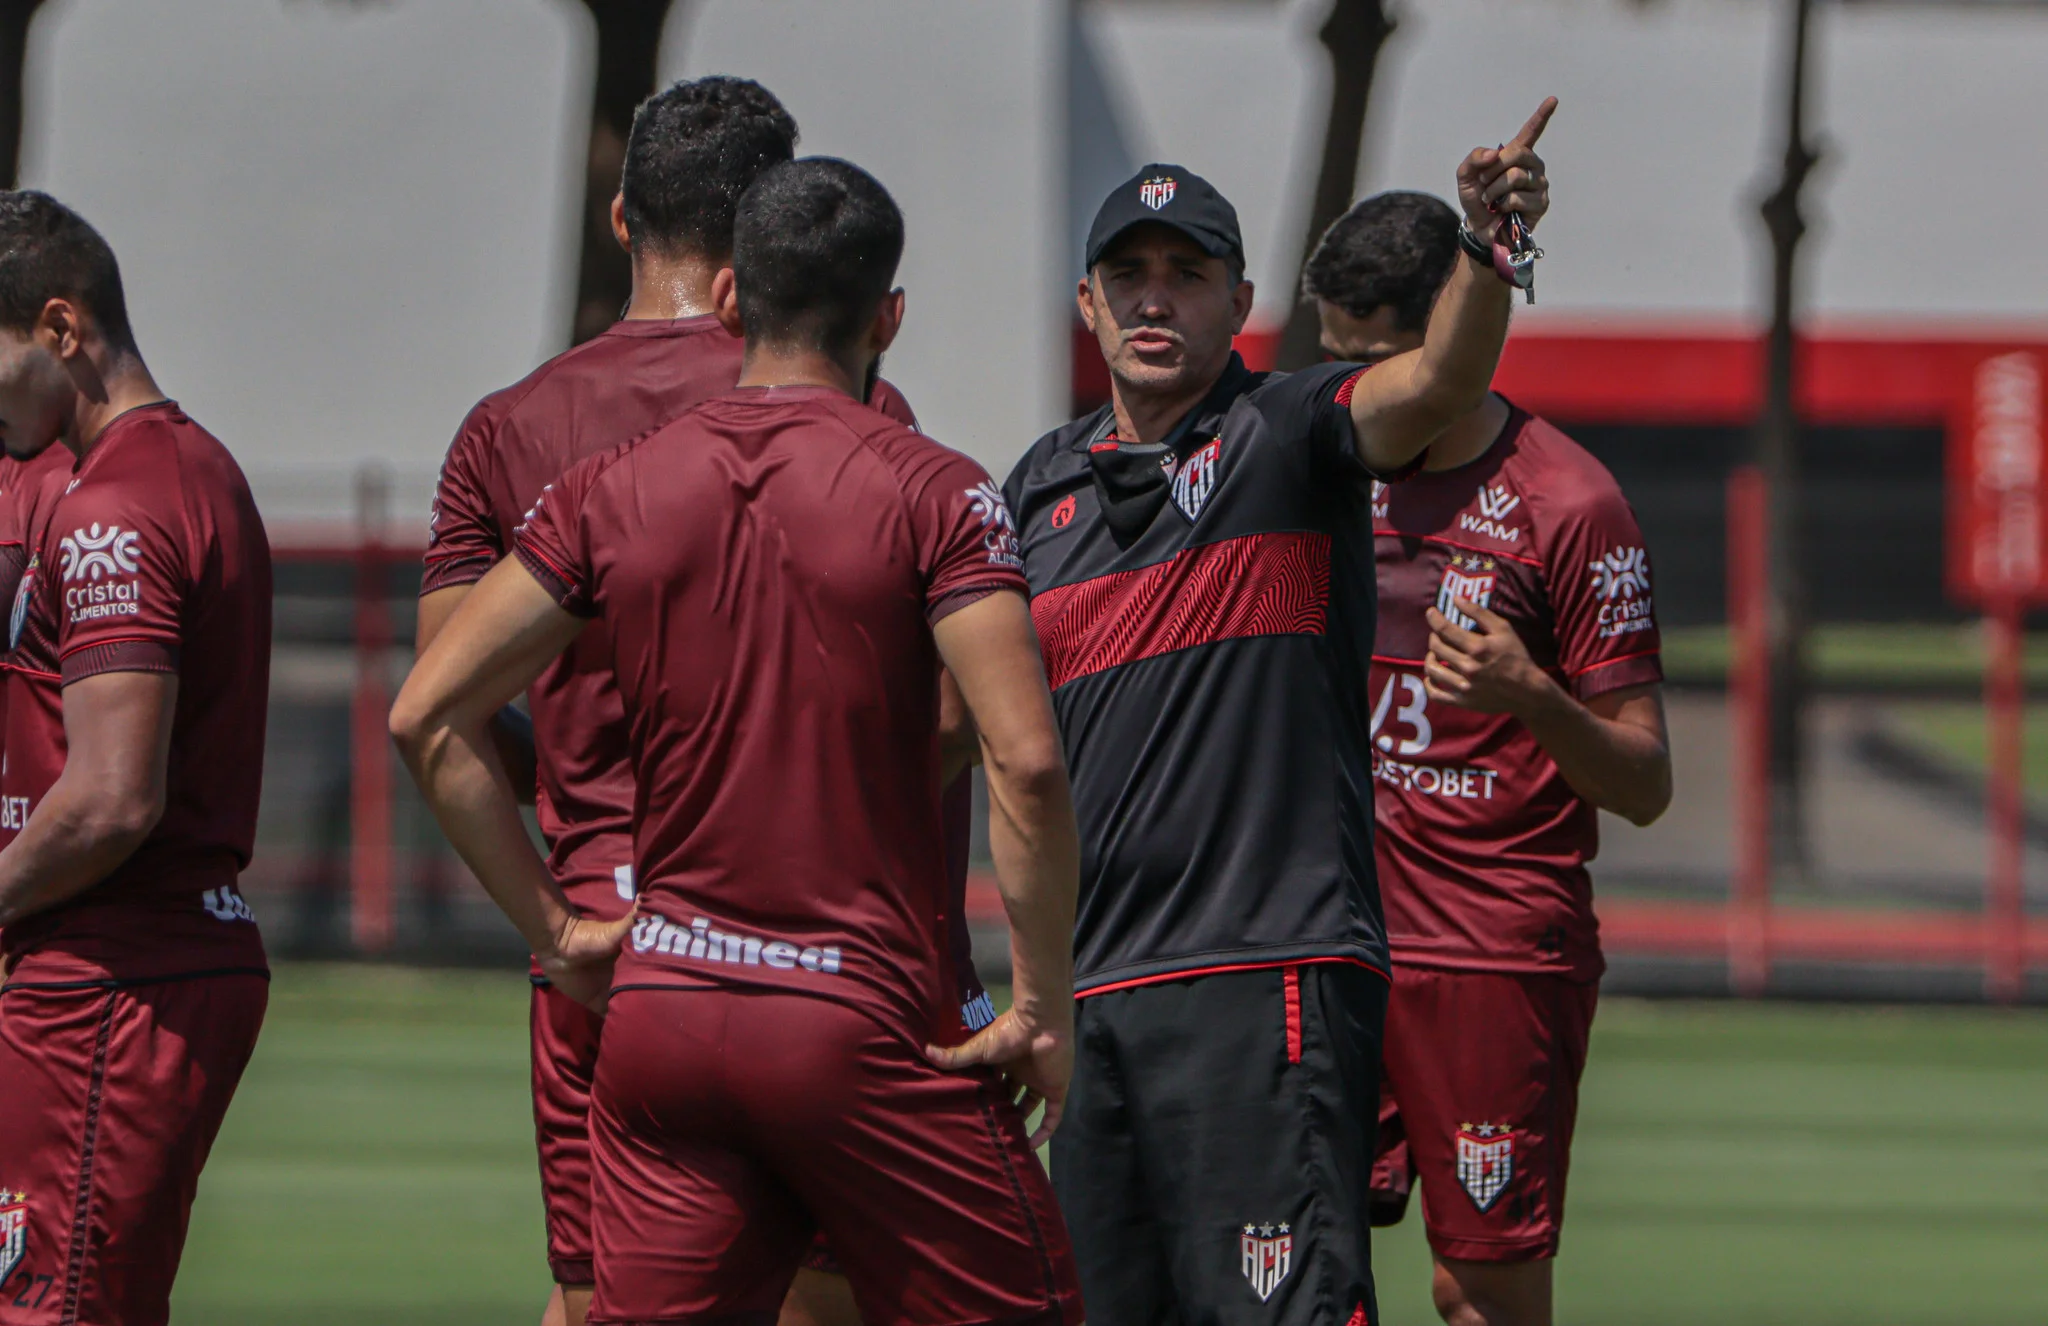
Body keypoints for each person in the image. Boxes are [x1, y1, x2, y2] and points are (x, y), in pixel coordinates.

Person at [392, 156, 1084, 1326]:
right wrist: (1039, 1005)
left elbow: (425, 713)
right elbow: (1019, 757)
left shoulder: (606, 488)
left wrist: (558, 932)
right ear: (889, 319)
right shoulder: (935, 488)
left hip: (664, 1018)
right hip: (856, 1012)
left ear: (728, 301)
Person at [998, 101, 1556, 1325]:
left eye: (1185, 276)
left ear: (1237, 298)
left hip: (1270, 974)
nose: (1154, 301)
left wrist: (1485, 247)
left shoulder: (1288, 432)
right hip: (1090, 996)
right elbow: (970, 731)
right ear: (1085, 304)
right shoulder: (1033, 487)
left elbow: (1444, 376)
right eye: (1126, 277)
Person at [1301, 191, 1670, 1326]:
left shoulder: (1568, 503)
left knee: (1479, 1294)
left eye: (1376, 362)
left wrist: (1530, 697)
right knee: (1284, 1270)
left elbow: (1643, 784)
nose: (1351, 393)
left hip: (1489, 952)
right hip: (1317, 937)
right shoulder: (1312, 471)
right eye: (1333, 362)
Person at [0, 191, 273, 1326]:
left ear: (62, 330)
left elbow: (112, 798)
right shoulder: (173, 469)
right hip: (106, 970)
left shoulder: (120, 497)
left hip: (117, 974)